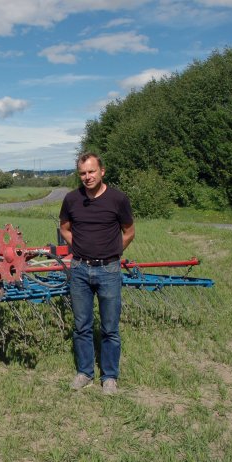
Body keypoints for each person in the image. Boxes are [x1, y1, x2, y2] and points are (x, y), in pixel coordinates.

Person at [59, 153, 134, 395]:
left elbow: (129, 231)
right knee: (82, 325)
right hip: (80, 269)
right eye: (82, 173)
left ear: (102, 171)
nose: (87, 177)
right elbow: (65, 228)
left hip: (109, 270)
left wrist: (112, 252)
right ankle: (84, 372)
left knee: (110, 327)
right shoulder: (72, 199)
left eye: (91, 172)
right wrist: (78, 247)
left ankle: (109, 377)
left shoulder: (118, 199)